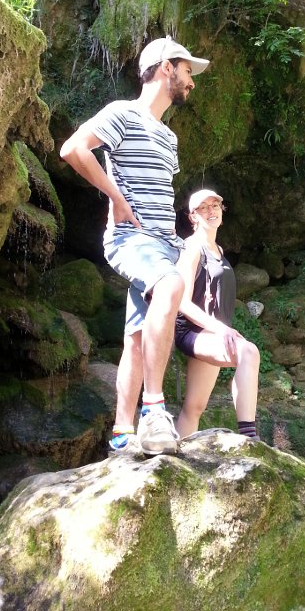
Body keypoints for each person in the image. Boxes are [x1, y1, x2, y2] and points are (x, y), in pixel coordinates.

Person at [59, 36, 210, 455]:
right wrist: (115, 197)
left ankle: (123, 433)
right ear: (166, 67)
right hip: (131, 239)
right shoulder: (122, 113)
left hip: (162, 244)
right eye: (187, 71)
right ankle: (154, 411)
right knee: (170, 285)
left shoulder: (168, 137)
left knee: (137, 338)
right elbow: (73, 149)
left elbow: (159, 195)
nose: (192, 82)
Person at [174, 189, 260, 440]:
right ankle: (249, 436)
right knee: (248, 352)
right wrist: (221, 329)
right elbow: (182, 302)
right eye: (203, 207)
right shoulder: (192, 248)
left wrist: (219, 329)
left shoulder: (218, 249)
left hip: (213, 333)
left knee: (194, 407)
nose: (211, 211)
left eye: (215, 205)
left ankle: (175, 456)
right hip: (193, 331)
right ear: (193, 216)